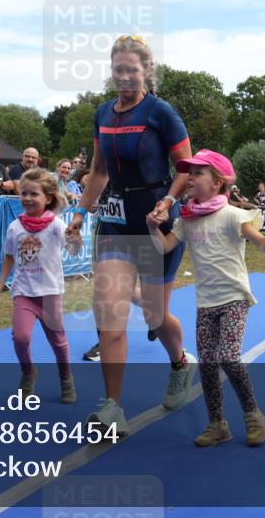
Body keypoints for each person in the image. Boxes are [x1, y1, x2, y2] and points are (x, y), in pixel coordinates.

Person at [65, 34, 196, 436]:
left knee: (155, 314)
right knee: (109, 312)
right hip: (115, 223)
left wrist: (168, 202)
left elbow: (187, 168)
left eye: (131, 70)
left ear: (146, 71)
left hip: (157, 222)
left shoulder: (161, 112)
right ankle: (112, 407)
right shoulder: (102, 113)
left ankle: (179, 363)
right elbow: (99, 171)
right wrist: (79, 212)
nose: (124, 76)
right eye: (118, 69)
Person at [145, 150, 265, 447]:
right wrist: (152, 227)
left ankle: (253, 414)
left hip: (234, 297)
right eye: (189, 173)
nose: (189, 178)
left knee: (229, 357)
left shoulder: (233, 215)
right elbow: (164, 247)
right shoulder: (187, 219)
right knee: (207, 365)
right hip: (206, 302)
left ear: (217, 183)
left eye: (197, 173)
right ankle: (217, 424)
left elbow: (263, 246)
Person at [0, 168, 76, 403]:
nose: (27, 198)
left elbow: (72, 248)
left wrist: (74, 237)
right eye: (24, 193)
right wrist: (0, 283)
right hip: (23, 292)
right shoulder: (15, 227)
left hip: (50, 293)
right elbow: (9, 257)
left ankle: (66, 377)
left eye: (34, 194)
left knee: (58, 341)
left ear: (48, 198)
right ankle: (28, 373)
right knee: (21, 338)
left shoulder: (56, 224)